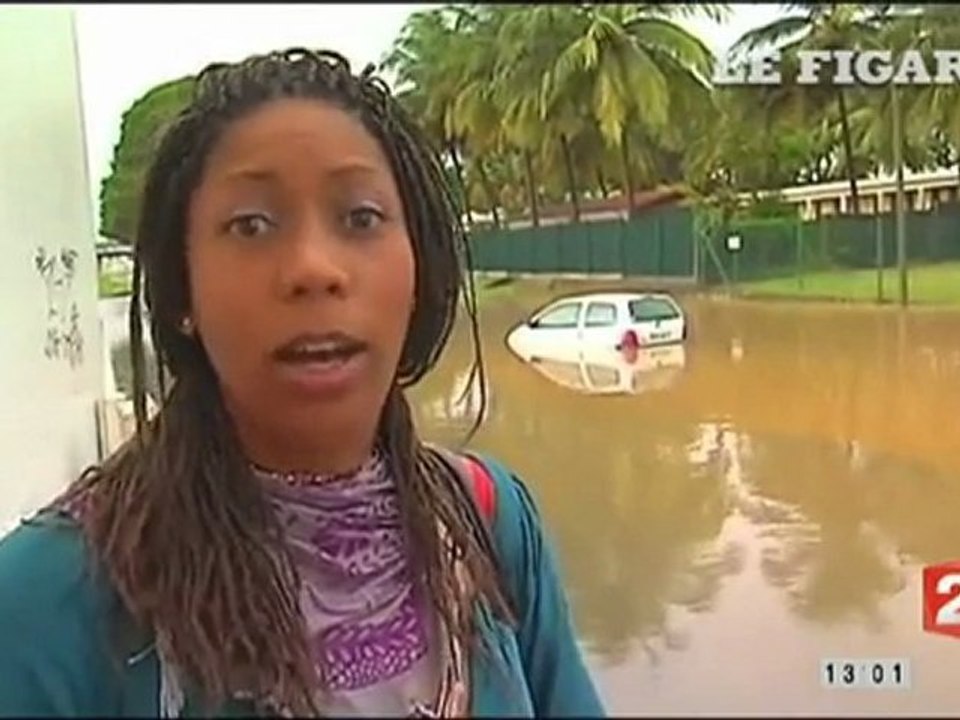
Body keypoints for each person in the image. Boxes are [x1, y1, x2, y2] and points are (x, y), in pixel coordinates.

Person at [0, 48, 605, 717]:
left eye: (361, 218)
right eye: (251, 225)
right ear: (183, 290)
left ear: (419, 271)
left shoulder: (491, 523)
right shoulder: (48, 601)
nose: (314, 269)